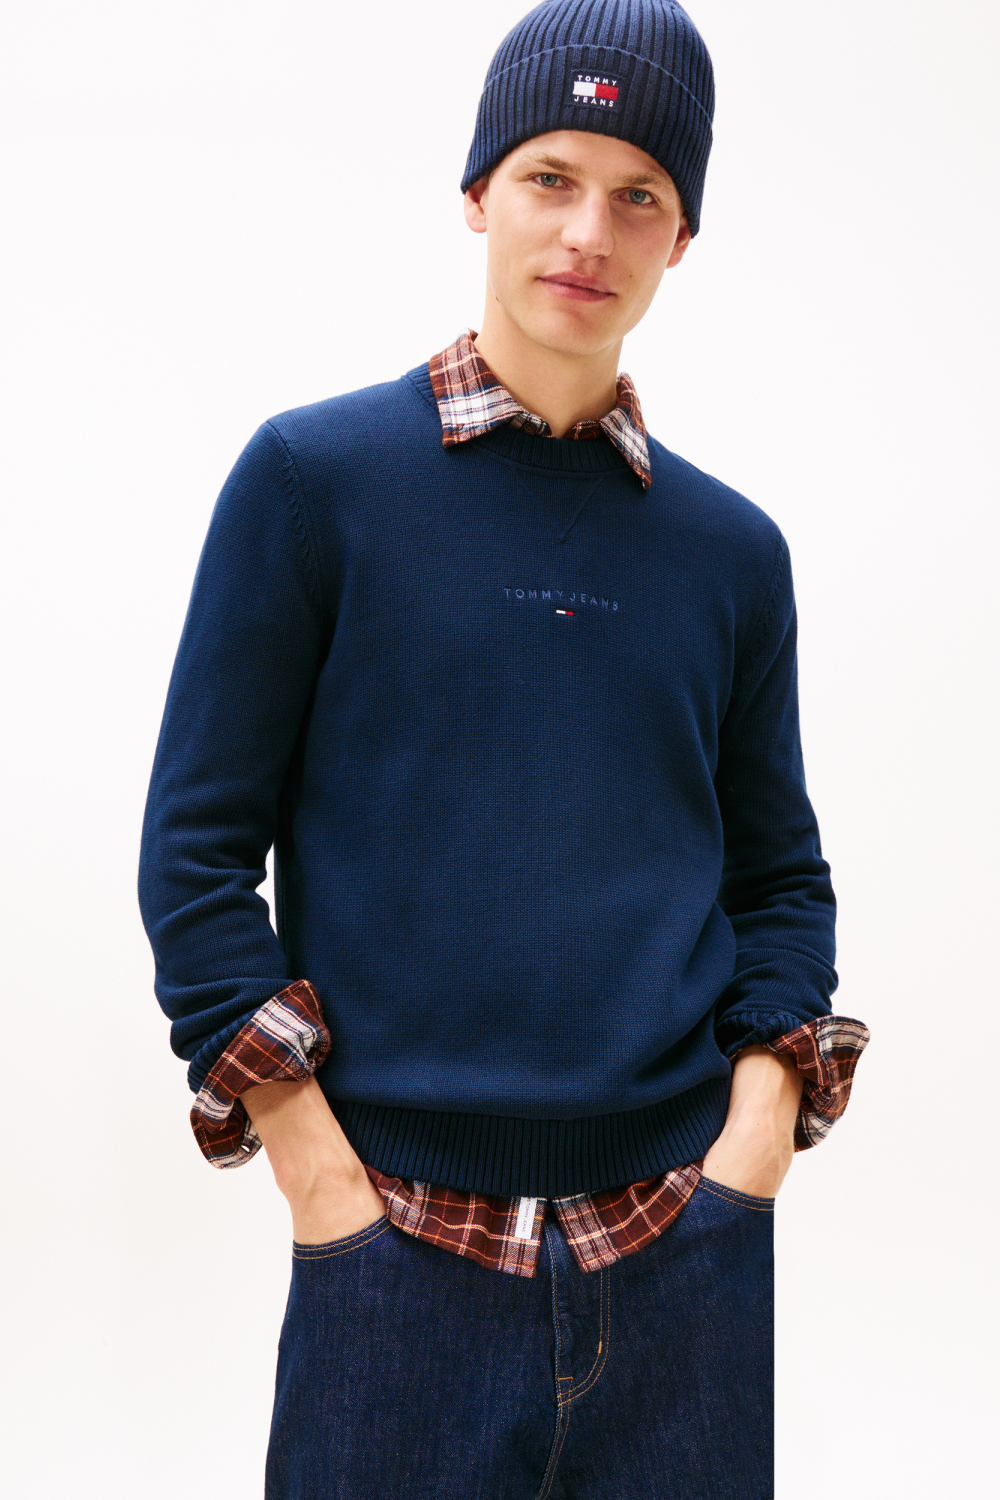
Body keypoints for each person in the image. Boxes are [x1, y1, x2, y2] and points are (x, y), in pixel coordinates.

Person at [138, 2, 869, 1495]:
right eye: (550, 176)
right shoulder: (313, 485)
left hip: (682, 1254)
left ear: (683, 239)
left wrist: (751, 1154)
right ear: (478, 192)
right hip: (396, 1255)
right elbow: (197, 858)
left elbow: (780, 880)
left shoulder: (734, 555)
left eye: (640, 195)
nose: (589, 231)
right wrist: (319, 1175)